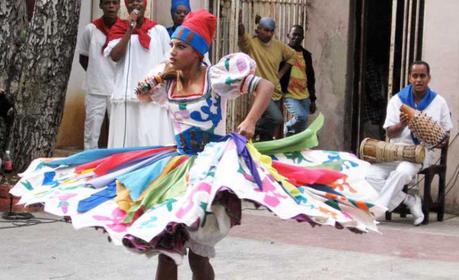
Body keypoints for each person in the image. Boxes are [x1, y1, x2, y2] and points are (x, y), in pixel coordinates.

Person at [11, 10, 383, 280]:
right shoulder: (168, 83)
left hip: (212, 165)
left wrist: (251, 120)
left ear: (198, 51)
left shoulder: (217, 77)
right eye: (171, 44)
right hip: (178, 166)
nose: (172, 51)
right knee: (167, 248)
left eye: (180, 46)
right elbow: (141, 95)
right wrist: (159, 74)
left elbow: (266, 87)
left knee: (198, 256)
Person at [365, 61, 453, 226]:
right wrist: (402, 124)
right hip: (396, 151)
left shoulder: (438, 101)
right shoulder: (397, 100)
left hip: (421, 152)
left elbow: (446, 133)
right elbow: (390, 132)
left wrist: (441, 141)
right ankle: (410, 200)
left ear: (429, 78)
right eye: (415, 76)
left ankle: (377, 211)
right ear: (409, 78)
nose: (418, 79)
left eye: (422, 76)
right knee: (370, 175)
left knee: (402, 172)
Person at [104, 0, 174, 148]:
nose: (136, 4)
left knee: (150, 139)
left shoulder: (158, 31)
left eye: (139, 1)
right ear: (126, 5)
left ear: (145, 3)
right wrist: (129, 30)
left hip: (152, 97)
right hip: (126, 96)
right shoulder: (119, 29)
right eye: (131, 1)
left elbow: (169, 62)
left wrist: (156, 83)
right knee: (125, 143)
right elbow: (115, 56)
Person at [238, 16, 296, 141]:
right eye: (266, 30)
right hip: (259, 90)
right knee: (276, 118)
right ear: (258, 30)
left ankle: (260, 147)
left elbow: (292, 56)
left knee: (269, 132)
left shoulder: (278, 45)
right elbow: (243, 39)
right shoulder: (252, 43)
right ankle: (245, 131)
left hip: (275, 89)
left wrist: (281, 74)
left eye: (271, 31)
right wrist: (240, 27)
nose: (269, 34)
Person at [78, 0, 120, 150]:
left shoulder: (124, 29)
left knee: (119, 130)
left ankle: (115, 160)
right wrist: (97, 72)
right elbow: (83, 58)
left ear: (119, 5)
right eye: (107, 3)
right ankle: (89, 162)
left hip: (117, 88)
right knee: (91, 132)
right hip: (95, 88)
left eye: (114, 3)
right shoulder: (91, 29)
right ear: (100, 6)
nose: (111, 6)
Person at [280, 25, 317, 136]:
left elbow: (311, 77)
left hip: (304, 95)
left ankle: (291, 145)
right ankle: (287, 127)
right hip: (289, 94)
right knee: (301, 117)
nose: (296, 37)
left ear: (302, 38)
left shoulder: (306, 55)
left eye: (299, 35)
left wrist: (313, 99)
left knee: (302, 126)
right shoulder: (283, 52)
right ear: (288, 36)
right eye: (294, 34)